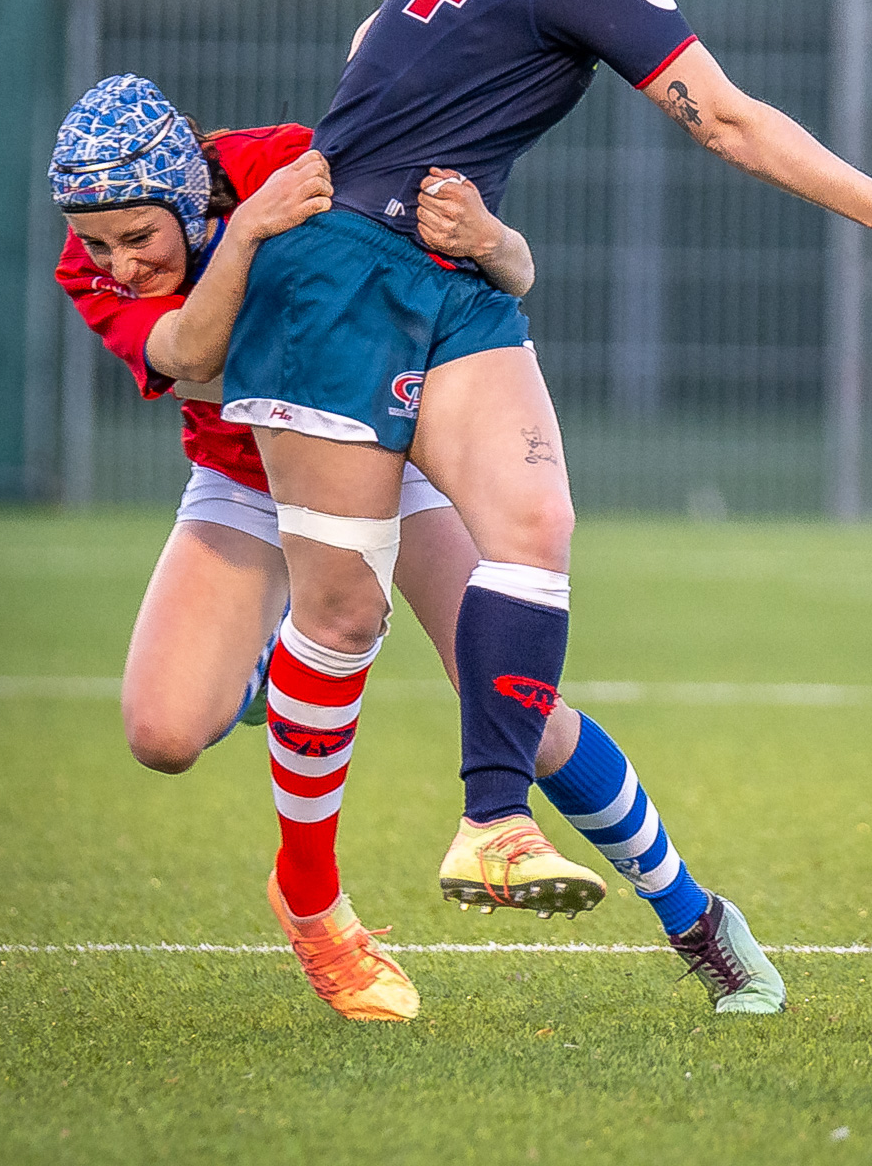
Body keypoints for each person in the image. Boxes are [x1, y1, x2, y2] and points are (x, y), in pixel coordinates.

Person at [218, 0, 872, 1024]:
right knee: (346, 620)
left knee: (534, 535)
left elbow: (383, 87)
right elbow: (726, 118)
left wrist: (491, 242)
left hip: (444, 280)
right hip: (346, 282)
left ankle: (500, 828)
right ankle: (315, 846)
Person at [50, 73, 759, 1024]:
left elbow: (502, 275)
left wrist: (493, 240)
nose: (119, 264)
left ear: (184, 193)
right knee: (163, 737)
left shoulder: (293, 158)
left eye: (139, 237)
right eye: (99, 244)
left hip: (392, 452)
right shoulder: (110, 258)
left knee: (522, 711)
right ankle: (275, 660)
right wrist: (250, 232)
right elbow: (188, 355)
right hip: (246, 479)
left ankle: (694, 916)